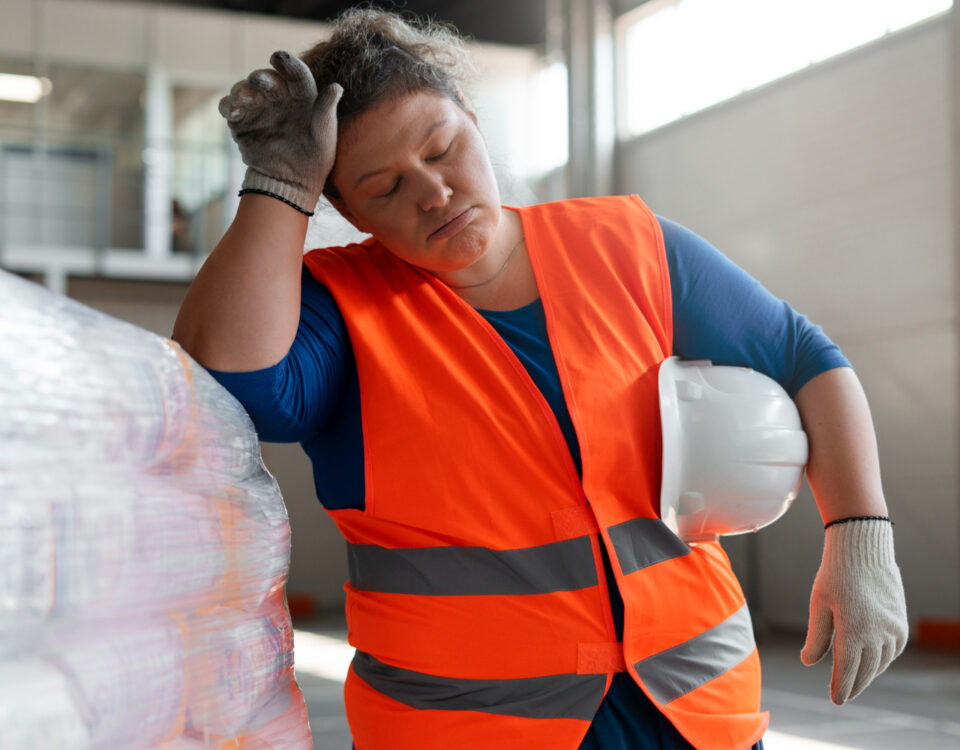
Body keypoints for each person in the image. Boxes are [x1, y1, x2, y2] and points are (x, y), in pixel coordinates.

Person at [172, 8, 908, 750]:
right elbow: (234, 385)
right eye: (385, 187)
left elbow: (805, 357)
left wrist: (859, 537)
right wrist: (277, 186)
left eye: (442, 148)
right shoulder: (337, 308)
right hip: (464, 728)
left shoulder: (628, 247)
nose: (432, 193)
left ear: (475, 122)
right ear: (344, 208)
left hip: (695, 713)